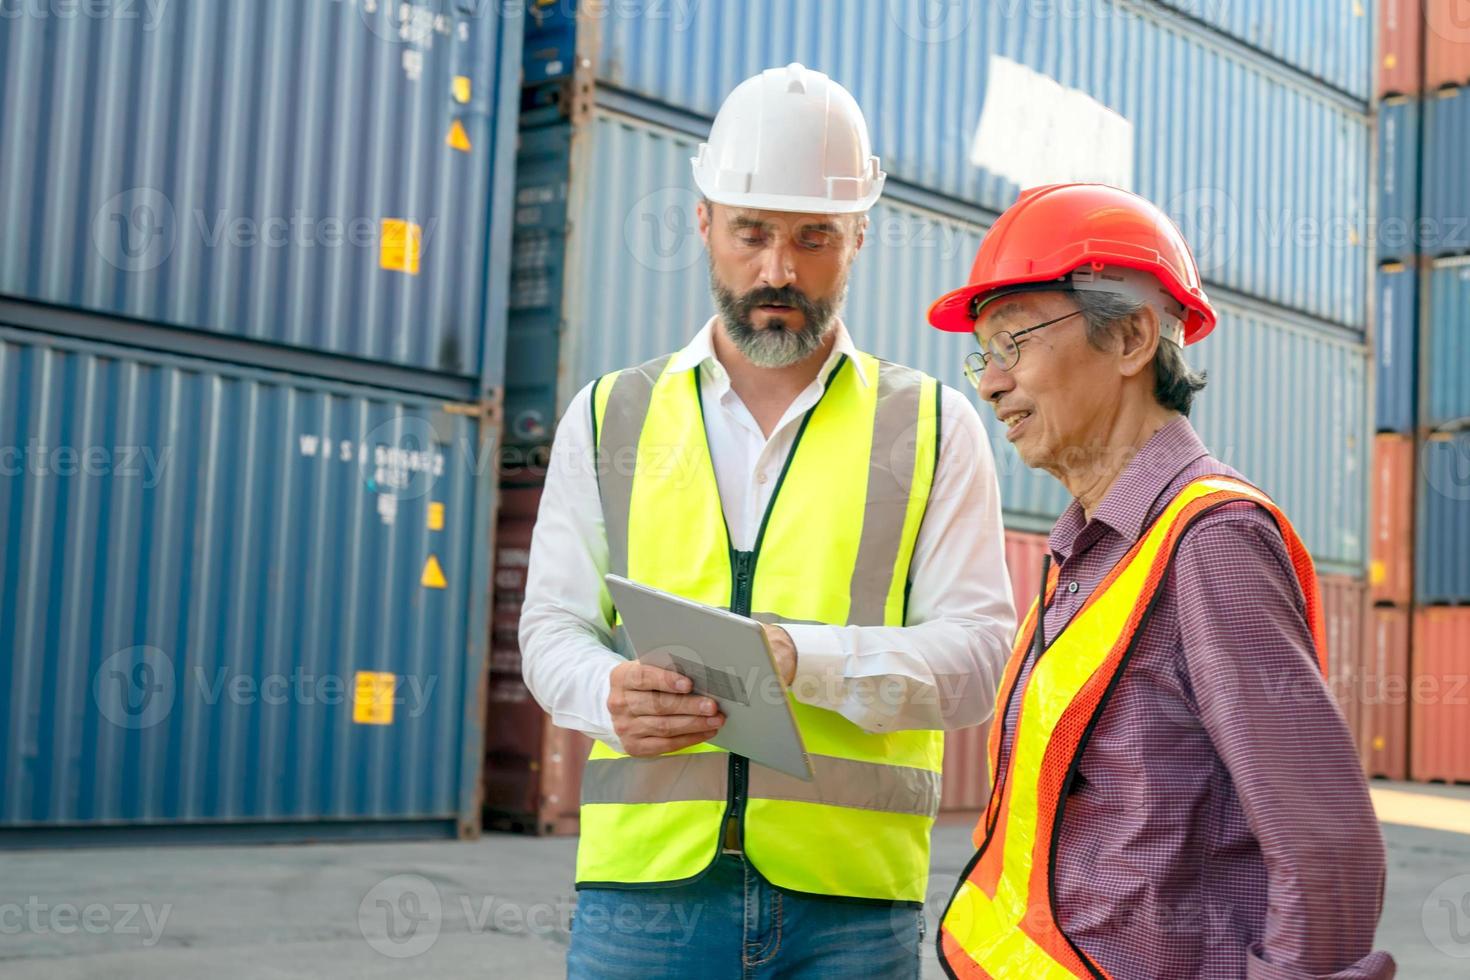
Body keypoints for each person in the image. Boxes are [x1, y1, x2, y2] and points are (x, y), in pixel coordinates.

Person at [518, 63, 1016, 978]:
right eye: (751, 233)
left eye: (814, 238)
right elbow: (551, 628)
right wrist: (605, 694)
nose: (777, 270)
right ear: (704, 223)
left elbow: (981, 661)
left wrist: (805, 660)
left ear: (860, 235)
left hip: (850, 912)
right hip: (644, 902)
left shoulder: (937, 426)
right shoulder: (607, 415)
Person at [927, 182, 1394, 979]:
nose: (990, 382)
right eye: (984, 355)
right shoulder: (1088, 549)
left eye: (1015, 343)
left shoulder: (1212, 542)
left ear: (1133, 337)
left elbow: (1326, 852)